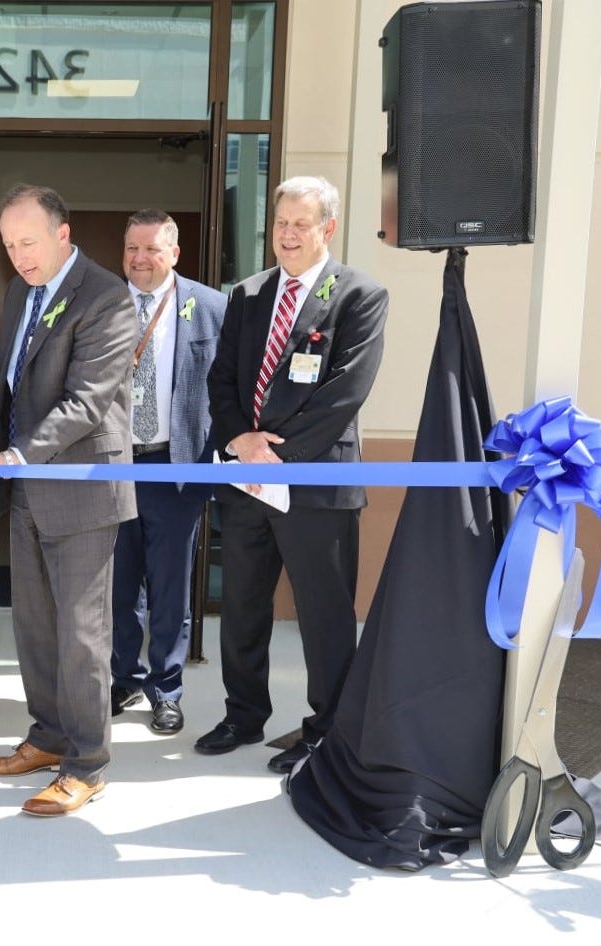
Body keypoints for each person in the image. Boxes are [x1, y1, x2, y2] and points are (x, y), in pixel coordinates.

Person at [200, 175, 388, 773]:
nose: (286, 235)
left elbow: (344, 395)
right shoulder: (249, 293)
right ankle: (243, 714)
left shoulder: (359, 294)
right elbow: (222, 379)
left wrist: (274, 455)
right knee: (243, 608)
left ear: (326, 228)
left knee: (324, 617)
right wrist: (239, 441)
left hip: (315, 485)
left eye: (299, 225)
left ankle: (328, 730)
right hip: (247, 483)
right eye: (280, 224)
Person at [0, 183, 138, 817]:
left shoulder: (107, 298)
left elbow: (86, 404)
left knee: (82, 637)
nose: (17, 255)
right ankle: (47, 737)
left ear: (63, 234)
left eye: (27, 242)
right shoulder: (21, 292)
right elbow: (26, 378)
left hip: (84, 491)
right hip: (31, 489)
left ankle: (87, 763)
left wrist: (10, 457)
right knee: (34, 628)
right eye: (8, 244)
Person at [109, 210, 227, 736]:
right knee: (118, 581)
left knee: (170, 585)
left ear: (174, 253)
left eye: (152, 249)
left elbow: (229, 389)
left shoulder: (209, 307)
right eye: (132, 248)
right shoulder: (103, 305)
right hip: (112, 464)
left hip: (175, 465)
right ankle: (124, 677)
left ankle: (167, 688)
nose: (140, 259)